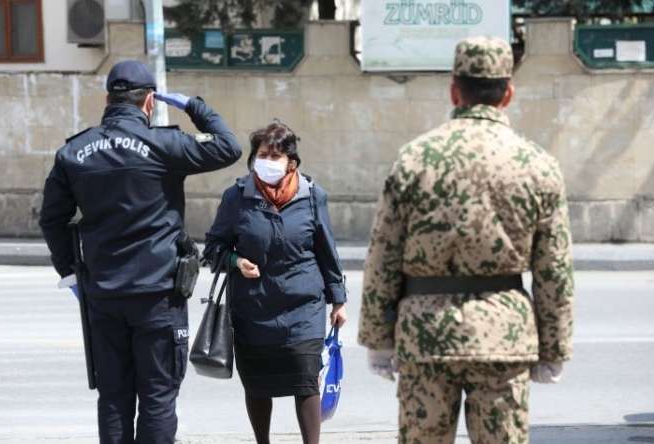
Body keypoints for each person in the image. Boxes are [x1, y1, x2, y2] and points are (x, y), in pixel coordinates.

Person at [357, 37, 575, 444]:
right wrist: (555, 348)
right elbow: (554, 268)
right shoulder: (537, 164)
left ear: (454, 89)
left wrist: (377, 338)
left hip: (425, 336)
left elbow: (383, 254)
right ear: (507, 93)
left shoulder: (415, 158)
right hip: (504, 340)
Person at [39, 60, 242, 444]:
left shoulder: (74, 152)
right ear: (149, 101)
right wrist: (193, 106)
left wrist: (71, 273)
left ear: (107, 99)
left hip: (103, 294)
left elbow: (52, 220)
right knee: (158, 396)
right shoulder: (166, 145)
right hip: (158, 294)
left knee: (114, 397)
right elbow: (229, 147)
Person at [204, 121, 348, 444]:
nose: (266, 162)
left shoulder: (313, 197)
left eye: (274, 155)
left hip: (304, 309)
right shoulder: (237, 197)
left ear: (291, 162)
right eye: (260, 155)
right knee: (257, 384)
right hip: (254, 310)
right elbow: (213, 249)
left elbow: (328, 251)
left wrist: (338, 300)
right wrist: (235, 261)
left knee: (306, 379)